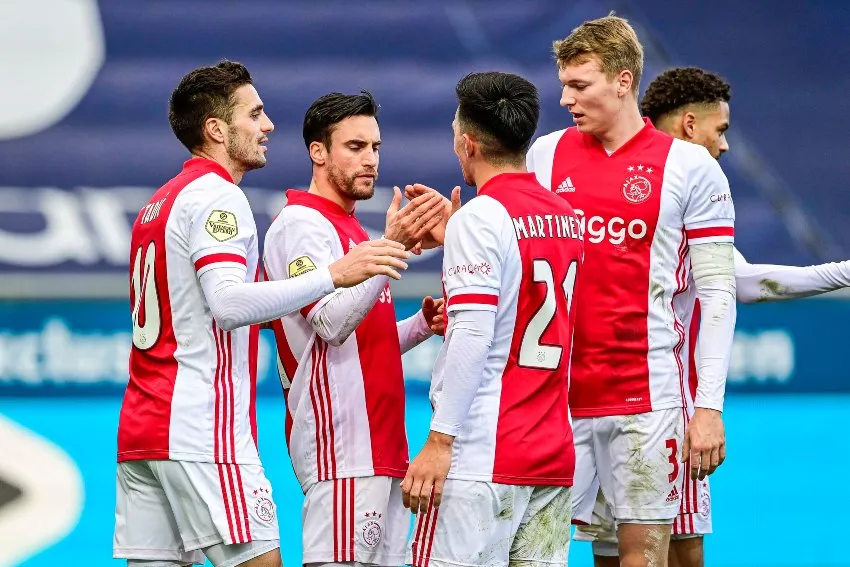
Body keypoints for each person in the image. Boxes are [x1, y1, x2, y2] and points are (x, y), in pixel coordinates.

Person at [113, 61, 411, 567]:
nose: (268, 125)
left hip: (143, 430)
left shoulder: (159, 204)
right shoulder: (216, 197)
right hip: (203, 430)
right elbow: (228, 305)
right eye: (254, 114)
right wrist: (331, 276)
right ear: (216, 129)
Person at [574, 66, 850, 567]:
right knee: (676, 553)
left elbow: (738, 278)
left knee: (614, 550)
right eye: (719, 130)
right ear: (688, 124)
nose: (723, 146)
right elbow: (746, 285)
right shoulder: (667, 182)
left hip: (590, 402)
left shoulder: (638, 185)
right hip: (658, 402)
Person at [523, 15, 738, 567]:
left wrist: (708, 407)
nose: (567, 98)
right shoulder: (545, 155)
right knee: (572, 557)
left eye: (580, 85)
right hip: (559, 400)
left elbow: (718, 292)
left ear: (623, 81)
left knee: (643, 560)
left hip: (647, 401)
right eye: (564, 85)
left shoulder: (691, 167)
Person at [401, 71, 584, 567]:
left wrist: (440, 443)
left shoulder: (480, 218)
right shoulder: (567, 216)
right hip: (551, 455)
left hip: (484, 455)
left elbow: (474, 334)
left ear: (468, 144)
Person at [263, 91, 447, 567]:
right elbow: (328, 323)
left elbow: (369, 342)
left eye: (376, 148)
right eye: (355, 147)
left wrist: (422, 326)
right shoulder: (300, 224)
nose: (370, 160)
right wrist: (391, 249)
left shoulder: (350, 229)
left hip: (380, 447)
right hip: (341, 448)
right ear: (318, 152)